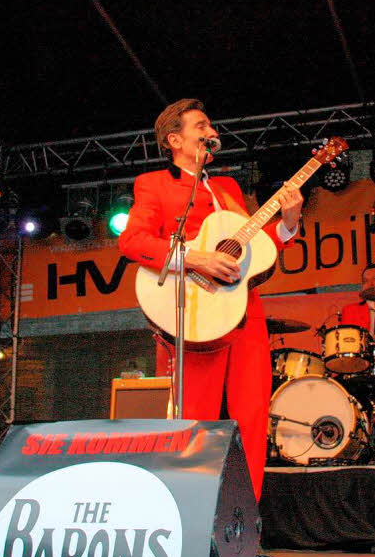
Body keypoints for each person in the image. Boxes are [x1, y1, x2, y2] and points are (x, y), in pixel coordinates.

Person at [118, 99, 303, 500]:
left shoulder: (228, 188)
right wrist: (194, 258)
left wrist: (288, 226)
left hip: (245, 313)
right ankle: (185, 510)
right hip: (191, 315)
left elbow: (254, 249)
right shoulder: (154, 184)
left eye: (210, 124)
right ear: (174, 139)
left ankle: (245, 519)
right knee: (193, 418)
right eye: (200, 125)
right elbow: (132, 241)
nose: (210, 130)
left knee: (252, 418)